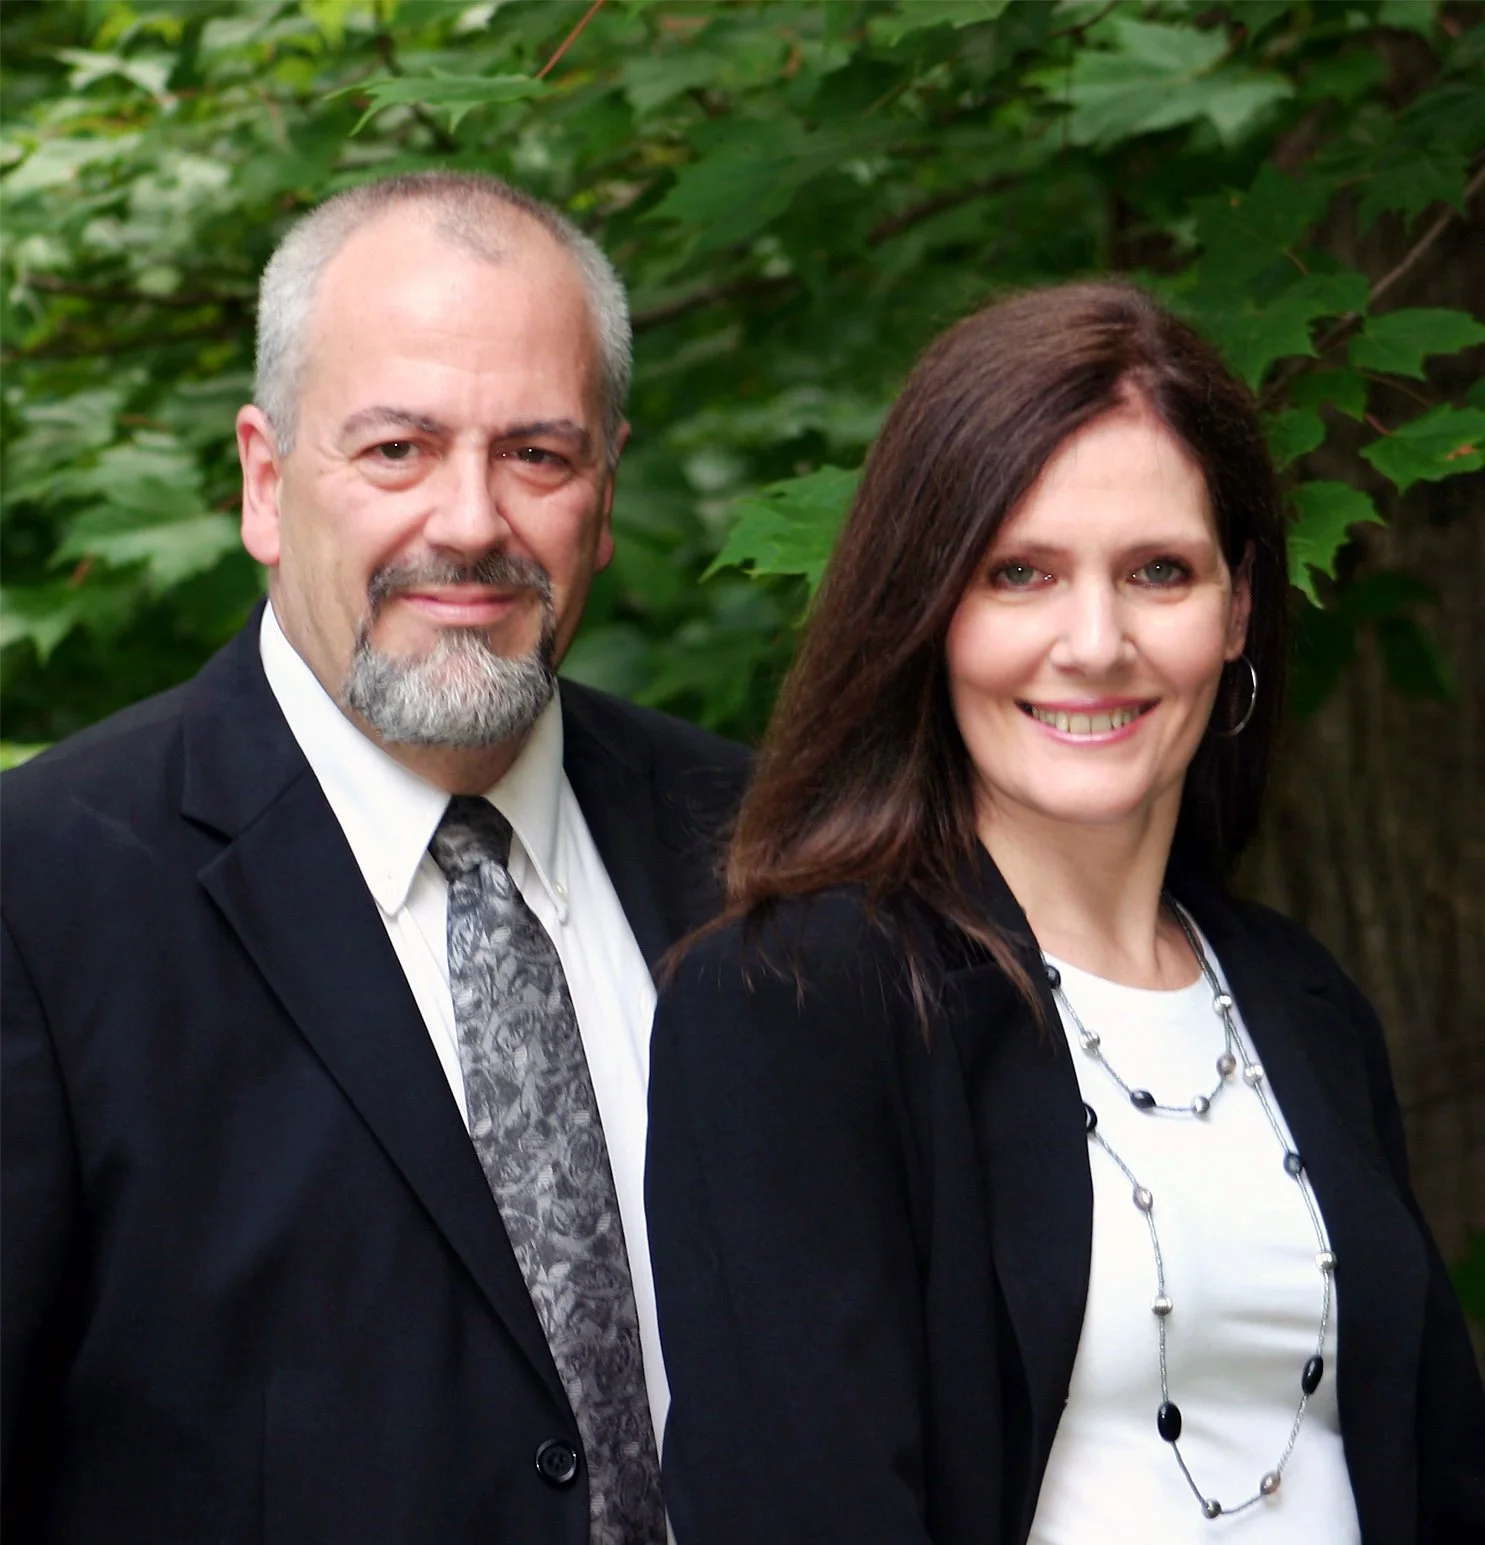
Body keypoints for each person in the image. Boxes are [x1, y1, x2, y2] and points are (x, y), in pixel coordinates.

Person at [646, 282, 1485, 1545]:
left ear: (1237, 607)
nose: (1095, 643)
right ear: (928, 605)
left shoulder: (1305, 1004)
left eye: (1159, 572)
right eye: (1021, 574)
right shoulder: (796, 1002)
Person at [1, 171, 747, 1545]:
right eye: (398, 449)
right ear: (266, 480)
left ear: (604, 490)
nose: (469, 522)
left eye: (537, 454)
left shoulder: (759, 849)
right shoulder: (39, 902)